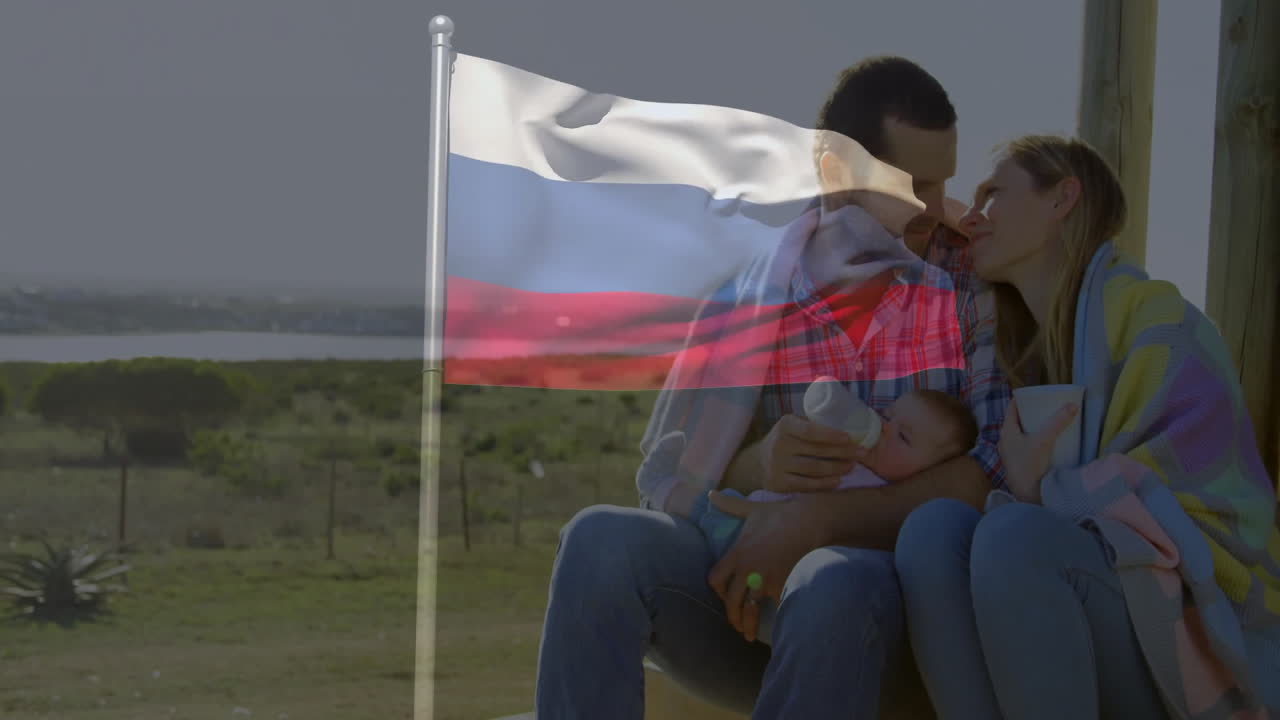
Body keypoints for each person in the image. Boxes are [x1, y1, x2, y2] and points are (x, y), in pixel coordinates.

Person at [535, 56, 1010, 719]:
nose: (935, 207)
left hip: (904, 633)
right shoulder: (751, 295)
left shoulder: (974, 286)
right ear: (836, 172)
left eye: (942, 181)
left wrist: (816, 520)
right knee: (599, 542)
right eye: (914, 185)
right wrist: (759, 464)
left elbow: (992, 474)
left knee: (832, 579)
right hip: (755, 612)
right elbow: (680, 474)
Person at [894, 134, 1280, 719]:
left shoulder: (1163, 329)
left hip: (1197, 631)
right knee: (932, 532)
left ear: (1062, 198)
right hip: (1109, 605)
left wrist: (1037, 491)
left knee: (1014, 537)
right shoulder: (1035, 352)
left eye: (993, 194)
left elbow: (1193, 527)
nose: (972, 218)